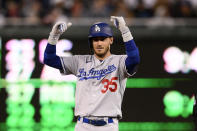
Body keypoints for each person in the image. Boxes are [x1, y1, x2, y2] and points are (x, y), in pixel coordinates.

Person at [44, 16, 140, 131]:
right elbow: (49, 59)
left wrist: (125, 31)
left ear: (111, 40)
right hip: (83, 125)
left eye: (102, 39)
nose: (99, 43)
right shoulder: (79, 62)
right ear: (91, 42)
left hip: (108, 125)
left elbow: (134, 59)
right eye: (95, 39)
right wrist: (54, 36)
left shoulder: (119, 61)